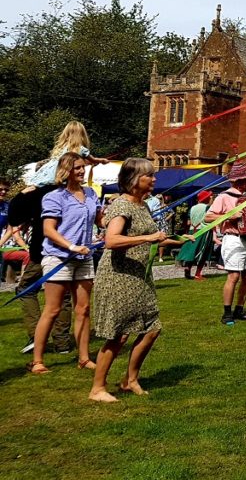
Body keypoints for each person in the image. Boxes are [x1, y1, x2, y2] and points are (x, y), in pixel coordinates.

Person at [89, 158, 192, 402]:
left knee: (152, 329)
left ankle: (130, 379)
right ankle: (97, 389)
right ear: (134, 180)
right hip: (118, 276)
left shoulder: (142, 206)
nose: (154, 179)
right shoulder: (121, 206)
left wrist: (177, 239)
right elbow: (111, 241)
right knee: (119, 335)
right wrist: (149, 239)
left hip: (140, 276)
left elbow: (150, 236)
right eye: (149, 176)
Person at [29, 153, 103, 374]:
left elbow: (100, 220)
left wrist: (110, 228)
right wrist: (71, 246)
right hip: (58, 257)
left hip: (84, 257)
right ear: (65, 171)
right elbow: (48, 230)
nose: (81, 171)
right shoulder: (54, 197)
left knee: (84, 309)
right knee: (53, 309)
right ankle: (37, 361)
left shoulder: (91, 194)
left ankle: (83, 358)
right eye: (76, 168)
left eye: (82, 167)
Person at [7, 185, 73, 355]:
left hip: (43, 250)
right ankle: (62, 343)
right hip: (67, 249)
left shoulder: (39, 193)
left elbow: (14, 218)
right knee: (63, 295)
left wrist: (22, 193)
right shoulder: (72, 191)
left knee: (26, 289)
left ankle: (37, 336)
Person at [205, 163, 246, 324]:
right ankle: (227, 313)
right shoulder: (224, 196)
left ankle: (239, 310)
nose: (245, 184)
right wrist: (229, 215)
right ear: (234, 182)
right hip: (233, 239)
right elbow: (208, 217)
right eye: (242, 181)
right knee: (233, 275)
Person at [23, 121, 109, 192]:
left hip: (43, 176)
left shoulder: (60, 149)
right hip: (56, 178)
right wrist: (102, 161)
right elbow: (93, 160)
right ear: (82, 135)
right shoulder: (80, 149)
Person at [179, 190, 214, 280]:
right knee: (203, 252)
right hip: (203, 231)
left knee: (192, 251)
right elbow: (209, 219)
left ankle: (188, 268)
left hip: (192, 231)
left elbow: (188, 222)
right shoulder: (208, 208)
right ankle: (198, 273)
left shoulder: (192, 208)